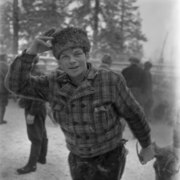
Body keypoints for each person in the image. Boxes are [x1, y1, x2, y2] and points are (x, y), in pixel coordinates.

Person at [6, 27, 154, 180]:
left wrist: (146, 144)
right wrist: (30, 53)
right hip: (78, 159)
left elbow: (133, 113)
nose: (72, 60)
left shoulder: (110, 80)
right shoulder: (52, 84)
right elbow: (16, 85)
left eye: (77, 54)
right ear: (59, 61)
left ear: (86, 55)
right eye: (65, 56)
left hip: (110, 157)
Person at [16, 59, 48, 174]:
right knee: (42, 133)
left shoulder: (33, 74)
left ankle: (32, 165)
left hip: (34, 108)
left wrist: (32, 113)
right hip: (38, 108)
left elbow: (38, 97)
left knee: (35, 137)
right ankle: (41, 157)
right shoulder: (37, 72)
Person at [0, 54, 9, 125]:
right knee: (2, 105)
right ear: (4, 58)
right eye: (7, 57)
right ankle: (0, 120)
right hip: (3, 89)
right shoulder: (6, 66)